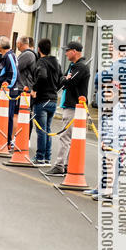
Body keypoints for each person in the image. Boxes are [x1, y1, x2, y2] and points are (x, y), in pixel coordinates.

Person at [47, 41, 90, 176]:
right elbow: (62, 80)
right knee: (70, 137)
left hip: (74, 106)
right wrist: (65, 79)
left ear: (75, 51)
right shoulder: (73, 66)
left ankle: (60, 165)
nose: (65, 53)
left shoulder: (81, 67)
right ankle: (66, 164)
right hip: (70, 105)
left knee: (66, 137)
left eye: (67, 50)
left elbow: (70, 82)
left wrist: (66, 79)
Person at [30, 38, 62, 165]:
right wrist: (54, 89)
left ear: (39, 49)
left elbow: (42, 76)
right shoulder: (56, 63)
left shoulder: (41, 62)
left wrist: (35, 89)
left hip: (42, 99)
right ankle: (47, 157)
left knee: (41, 130)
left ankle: (40, 157)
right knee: (47, 129)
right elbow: (61, 79)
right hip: (53, 99)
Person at [15, 36, 38, 140]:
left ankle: (23, 138)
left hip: (24, 89)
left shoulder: (27, 54)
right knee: (24, 115)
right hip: (25, 88)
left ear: (20, 43)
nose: (17, 45)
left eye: (17, 43)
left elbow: (16, 68)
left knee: (23, 115)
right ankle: (23, 138)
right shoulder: (27, 54)